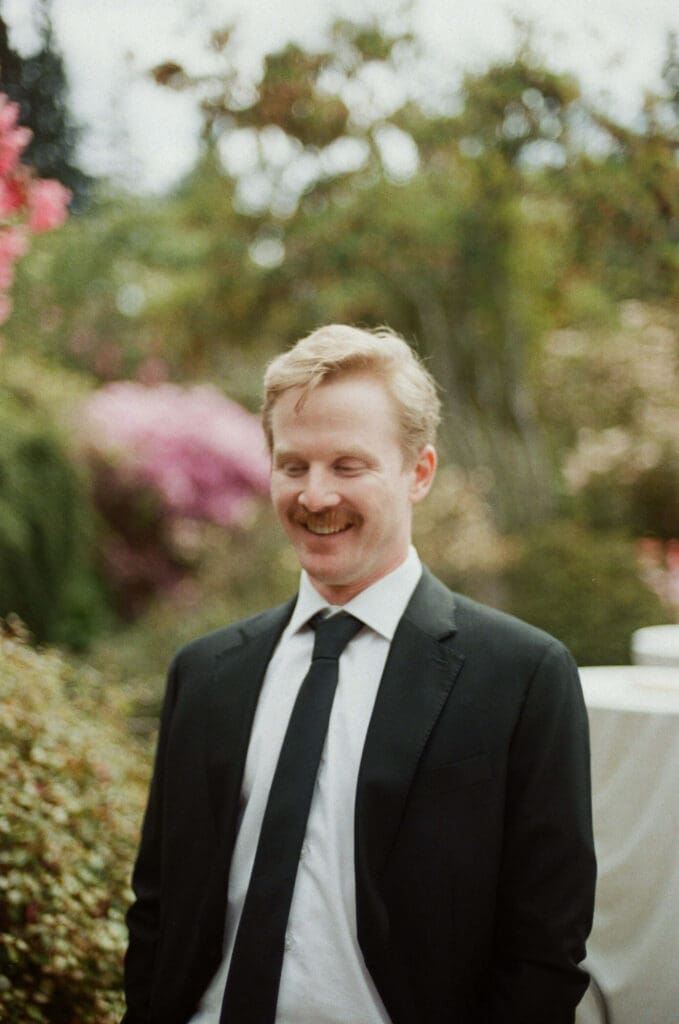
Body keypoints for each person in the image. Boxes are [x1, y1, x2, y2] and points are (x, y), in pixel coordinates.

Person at [122, 324, 596, 1024]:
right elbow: (158, 909)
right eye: (293, 465)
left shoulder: (523, 677)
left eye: (348, 467)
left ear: (419, 472)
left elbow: (544, 947)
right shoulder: (206, 674)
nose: (315, 497)